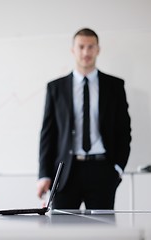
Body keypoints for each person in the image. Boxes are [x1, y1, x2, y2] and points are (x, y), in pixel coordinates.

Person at [36, 28, 131, 210]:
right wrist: (44, 175)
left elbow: (124, 131)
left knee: (103, 233)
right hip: (65, 173)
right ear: (73, 50)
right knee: (62, 231)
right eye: (81, 47)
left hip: (103, 171)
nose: (86, 52)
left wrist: (118, 169)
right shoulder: (56, 88)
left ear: (98, 49)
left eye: (90, 47)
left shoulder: (115, 86)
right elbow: (48, 134)